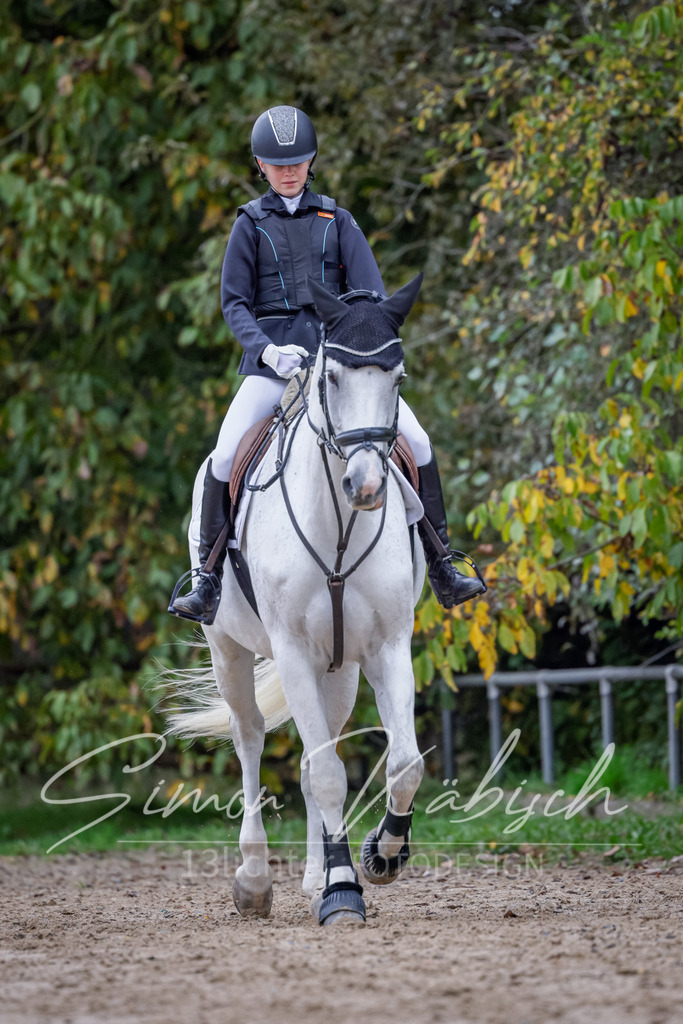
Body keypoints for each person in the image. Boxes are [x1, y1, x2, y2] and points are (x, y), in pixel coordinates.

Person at [169, 105, 486, 625]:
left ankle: (442, 563)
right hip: (272, 366)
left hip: (340, 369)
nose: (288, 171)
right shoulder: (249, 225)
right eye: (277, 163)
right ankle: (206, 579)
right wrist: (268, 351)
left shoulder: (337, 220)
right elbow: (234, 304)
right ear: (260, 165)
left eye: (297, 162)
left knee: (420, 443)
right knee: (225, 456)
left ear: (311, 161)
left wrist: (344, 347)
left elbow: (373, 299)